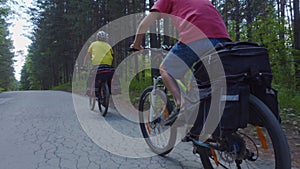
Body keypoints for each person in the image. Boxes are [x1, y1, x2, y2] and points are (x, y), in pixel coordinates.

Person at [130, 0, 231, 128]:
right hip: (223, 40)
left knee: (165, 69)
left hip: (195, 38)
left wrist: (136, 45)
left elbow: (144, 24)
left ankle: (180, 104)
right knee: (200, 84)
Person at [82, 31, 115, 97]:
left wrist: (84, 66)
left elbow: (87, 56)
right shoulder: (108, 45)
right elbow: (112, 56)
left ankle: (89, 92)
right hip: (108, 66)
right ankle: (110, 92)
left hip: (97, 66)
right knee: (109, 78)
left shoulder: (93, 44)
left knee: (91, 79)